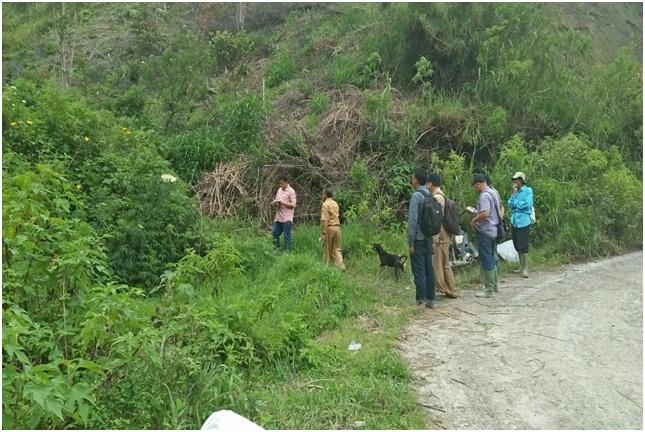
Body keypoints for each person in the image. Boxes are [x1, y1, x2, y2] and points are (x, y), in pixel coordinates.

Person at [408, 168, 436, 308]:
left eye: (413, 178)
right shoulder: (430, 194)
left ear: (416, 180)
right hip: (428, 237)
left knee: (418, 269)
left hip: (418, 238)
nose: (412, 180)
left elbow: (412, 221)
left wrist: (410, 242)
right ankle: (431, 299)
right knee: (429, 268)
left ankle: (420, 299)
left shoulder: (416, 196)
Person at [427, 173, 458, 298]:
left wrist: (434, 237)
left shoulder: (437, 198)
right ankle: (450, 289)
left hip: (440, 236)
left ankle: (446, 289)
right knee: (445, 263)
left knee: (439, 264)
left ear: (430, 183)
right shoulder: (441, 195)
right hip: (445, 235)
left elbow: (436, 219)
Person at [470, 173, 500, 297]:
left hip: (486, 231)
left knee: (487, 259)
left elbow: (486, 213)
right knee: (492, 257)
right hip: (494, 230)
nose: (474, 189)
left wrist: (474, 219)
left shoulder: (484, 196)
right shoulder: (494, 192)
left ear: (478, 184)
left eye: (474, 186)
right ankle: (495, 285)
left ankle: (489, 290)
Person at [508, 171, 533, 278]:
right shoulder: (515, 192)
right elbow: (509, 203)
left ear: (521, 180)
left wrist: (516, 204)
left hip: (523, 220)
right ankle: (520, 266)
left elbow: (527, 204)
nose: (515, 182)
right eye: (514, 180)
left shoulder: (528, 191)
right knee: (517, 244)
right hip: (515, 220)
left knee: (524, 245)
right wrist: (514, 195)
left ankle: (525, 268)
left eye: (517, 180)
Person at [320, 188, 345, 270]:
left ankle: (326, 268)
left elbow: (324, 220)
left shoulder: (325, 205)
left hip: (329, 228)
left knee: (327, 250)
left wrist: (323, 233)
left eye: (323, 194)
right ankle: (341, 266)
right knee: (337, 249)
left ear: (325, 195)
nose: (322, 196)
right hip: (337, 228)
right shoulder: (335, 203)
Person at [271, 176, 296, 252]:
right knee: (275, 233)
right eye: (280, 184)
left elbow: (293, 205)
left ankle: (287, 252)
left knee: (287, 236)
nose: (280, 185)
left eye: (282, 183)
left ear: (286, 182)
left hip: (287, 218)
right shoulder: (279, 190)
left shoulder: (291, 191)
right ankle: (276, 250)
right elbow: (277, 200)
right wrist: (275, 203)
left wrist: (283, 203)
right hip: (278, 217)